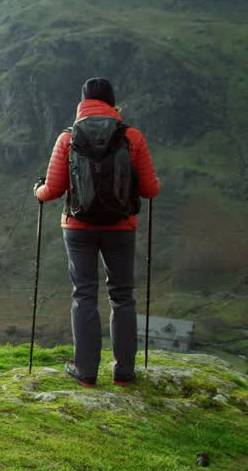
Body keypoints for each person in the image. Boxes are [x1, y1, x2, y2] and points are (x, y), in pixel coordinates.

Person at [34, 77, 161, 386]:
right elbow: (150, 189)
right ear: (112, 102)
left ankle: (87, 371)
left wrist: (37, 190)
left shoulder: (68, 138)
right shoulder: (133, 137)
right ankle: (124, 372)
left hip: (78, 228)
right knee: (122, 296)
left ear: (82, 103)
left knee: (84, 295)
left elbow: (52, 191)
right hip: (121, 227)